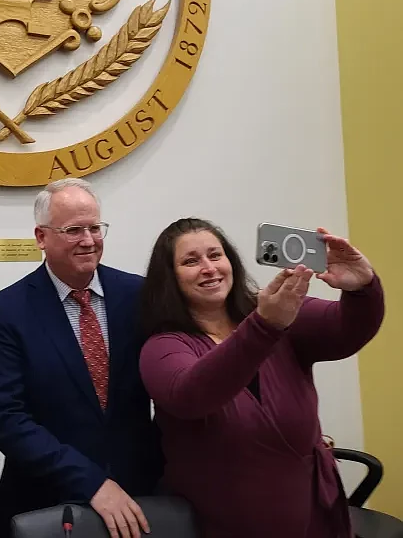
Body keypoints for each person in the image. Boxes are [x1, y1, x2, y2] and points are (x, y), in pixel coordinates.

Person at [139, 218, 385, 538]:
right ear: (170, 278)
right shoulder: (163, 347)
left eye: (215, 255)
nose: (208, 268)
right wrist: (264, 326)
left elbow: (347, 332)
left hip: (315, 516)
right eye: (190, 261)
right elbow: (191, 395)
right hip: (226, 525)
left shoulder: (274, 313)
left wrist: (362, 288)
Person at [0, 178, 162, 538]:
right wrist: (91, 482)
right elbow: (6, 419)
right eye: (74, 230)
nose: (89, 240)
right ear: (41, 236)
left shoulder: (139, 295)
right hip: (47, 506)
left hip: (140, 499)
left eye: (95, 227)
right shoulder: (6, 312)